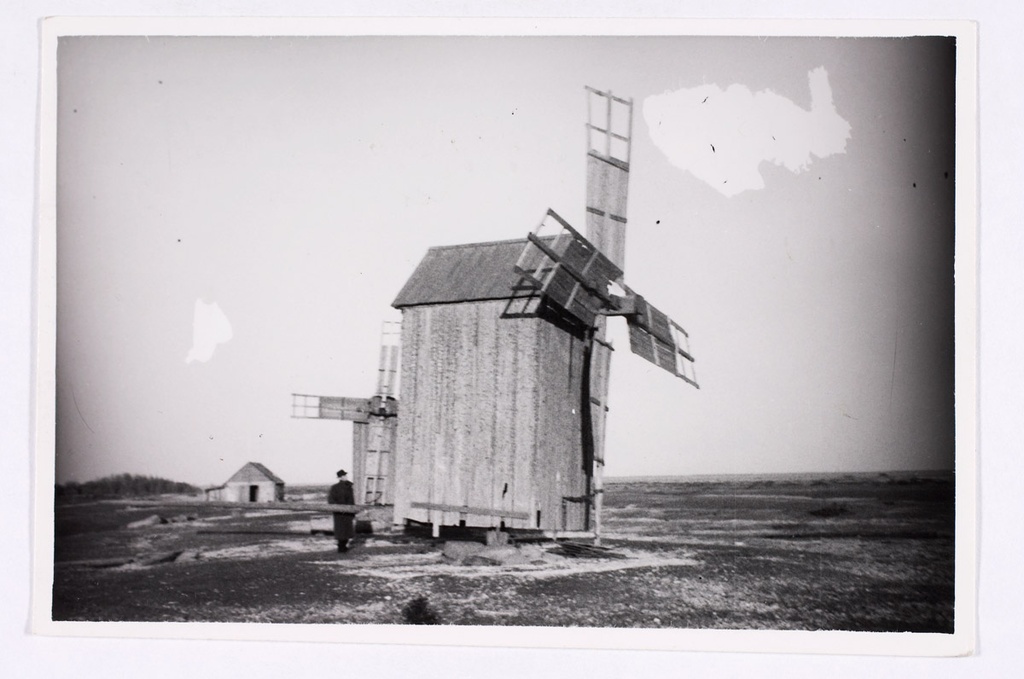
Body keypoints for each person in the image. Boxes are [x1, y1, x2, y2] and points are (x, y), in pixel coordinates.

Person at [328, 469, 356, 552]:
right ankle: (341, 547)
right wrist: (338, 508)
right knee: (341, 531)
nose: (346, 477)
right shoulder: (335, 487)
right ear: (340, 477)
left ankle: (343, 547)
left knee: (346, 530)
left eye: (346, 475)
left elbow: (351, 500)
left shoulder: (348, 487)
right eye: (344, 476)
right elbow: (331, 500)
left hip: (346, 512)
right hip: (340, 512)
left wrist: (351, 510)